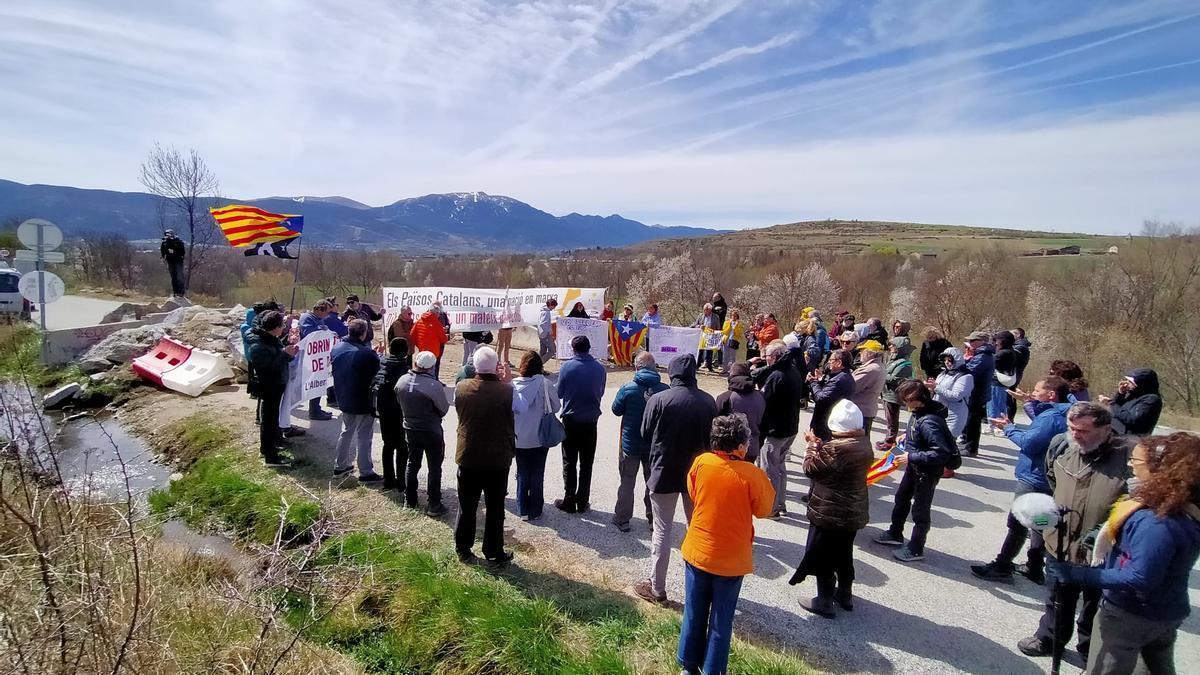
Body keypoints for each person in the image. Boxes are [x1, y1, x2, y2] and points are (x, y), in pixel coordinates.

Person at [1050, 432, 1200, 675]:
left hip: (1131, 615)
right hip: (1166, 611)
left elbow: (1140, 577)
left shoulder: (1157, 521)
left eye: (1136, 461)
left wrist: (1078, 574)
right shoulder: (1184, 506)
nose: (1130, 464)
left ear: (1162, 471)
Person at [1015, 402, 1130, 663]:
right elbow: (1052, 478)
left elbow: (1138, 502)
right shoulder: (1061, 446)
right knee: (1057, 595)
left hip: (1101, 548)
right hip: (1061, 541)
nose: (1075, 434)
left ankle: (1089, 649)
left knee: (1094, 603)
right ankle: (1048, 637)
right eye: (1071, 428)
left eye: (1083, 431)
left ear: (1106, 430)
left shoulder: (1127, 456)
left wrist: (1109, 529)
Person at [675, 414, 775, 675]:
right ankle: (712, 669)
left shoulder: (701, 462)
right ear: (740, 446)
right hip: (731, 560)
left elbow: (694, 493)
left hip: (698, 550)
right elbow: (764, 510)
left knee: (694, 611)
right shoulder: (752, 475)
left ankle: (688, 664)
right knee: (721, 619)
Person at [634, 354, 718, 605]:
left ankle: (657, 589)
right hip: (698, 474)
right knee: (698, 529)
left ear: (672, 374)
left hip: (664, 472)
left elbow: (645, 433)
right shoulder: (708, 401)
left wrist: (651, 406)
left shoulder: (659, 399)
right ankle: (699, 590)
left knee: (662, 530)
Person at [970, 377, 1071, 585]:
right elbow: (1042, 427)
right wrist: (1027, 404)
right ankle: (1035, 567)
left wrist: (1009, 430)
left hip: (1034, 476)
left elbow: (1029, 443)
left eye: (1037, 390)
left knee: (1017, 522)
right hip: (1049, 477)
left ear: (1051, 394)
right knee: (1038, 522)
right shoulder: (1066, 413)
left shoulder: (1051, 417)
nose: (1033, 393)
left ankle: (1002, 566)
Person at [789, 400, 873, 617]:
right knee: (844, 553)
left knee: (823, 556)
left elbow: (810, 468)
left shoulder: (835, 448)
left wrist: (810, 446)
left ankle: (824, 600)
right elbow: (833, 465)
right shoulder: (863, 442)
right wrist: (820, 446)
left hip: (829, 511)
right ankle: (845, 594)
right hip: (852, 510)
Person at [874, 380, 957, 562]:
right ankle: (895, 533)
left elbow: (941, 453)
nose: (904, 404)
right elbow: (916, 429)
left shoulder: (930, 422)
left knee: (920, 510)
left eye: (906, 400)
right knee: (901, 499)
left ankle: (916, 548)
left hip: (926, 472)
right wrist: (907, 435)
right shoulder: (919, 413)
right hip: (915, 468)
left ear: (916, 399)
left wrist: (912, 457)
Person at [453, 347, 515, 568]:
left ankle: (463, 547)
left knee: (466, 504)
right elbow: (516, 412)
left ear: (475, 367)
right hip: (497, 459)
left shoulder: (461, 387)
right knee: (495, 507)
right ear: (497, 366)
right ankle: (493, 550)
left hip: (468, 454)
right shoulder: (507, 391)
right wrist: (506, 382)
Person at [611, 351, 669, 532]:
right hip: (654, 445)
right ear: (654, 367)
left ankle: (622, 519)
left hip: (630, 444)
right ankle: (653, 520)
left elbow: (616, 410)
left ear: (637, 367)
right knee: (652, 483)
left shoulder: (628, 388)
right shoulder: (665, 390)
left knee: (627, 482)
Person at [555, 335, 607, 513]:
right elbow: (601, 391)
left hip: (571, 420)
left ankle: (569, 499)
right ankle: (582, 501)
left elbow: (559, 393)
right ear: (589, 348)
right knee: (587, 463)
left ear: (573, 349)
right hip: (591, 421)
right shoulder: (600, 369)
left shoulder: (567, 367)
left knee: (569, 461)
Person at [753, 340, 804, 518]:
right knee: (780, 468)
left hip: (776, 430)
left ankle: (772, 508)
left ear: (774, 357)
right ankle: (780, 503)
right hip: (790, 428)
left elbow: (764, 401)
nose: (764, 359)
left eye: (766, 356)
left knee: (770, 470)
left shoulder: (777, 375)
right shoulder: (794, 370)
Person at [395, 351, 449, 516]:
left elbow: (398, 401)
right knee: (434, 467)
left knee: (412, 464)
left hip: (410, 428)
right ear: (432, 367)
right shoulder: (433, 386)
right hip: (431, 430)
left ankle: (410, 501)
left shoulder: (402, 381)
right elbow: (444, 409)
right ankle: (434, 503)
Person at [331, 319, 382, 482]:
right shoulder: (367, 354)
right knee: (364, 436)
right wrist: (377, 355)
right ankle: (366, 472)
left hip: (343, 396)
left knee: (346, 432)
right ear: (364, 333)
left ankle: (340, 466)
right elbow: (377, 372)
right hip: (362, 400)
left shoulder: (337, 347)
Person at [511, 351, 558, 521]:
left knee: (522, 472)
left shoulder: (512, 385)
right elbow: (556, 407)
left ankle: (522, 509)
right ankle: (536, 509)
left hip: (518, 436)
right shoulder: (545, 384)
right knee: (538, 472)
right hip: (540, 436)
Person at [245, 310, 297, 467]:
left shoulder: (272, 340)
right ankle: (270, 456)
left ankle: (270, 447)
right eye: (282, 326)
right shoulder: (258, 345)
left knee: (273, 419)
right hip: (269, 387)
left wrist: (289, 352)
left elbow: (279, 359)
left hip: (277, 385)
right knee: (268, 420)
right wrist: (283, 354)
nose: (283, 329)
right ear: (275, 327)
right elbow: (266, 369)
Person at [715, 362, 766, 462]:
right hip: (752, 448)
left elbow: (716, 426)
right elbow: (765, 425)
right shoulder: (761, 396)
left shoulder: (725, 397)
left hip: (729, 450)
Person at [959, 331, 995, 457]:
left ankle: (971, 448)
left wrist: (962, 362)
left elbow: (970, 371)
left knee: (974, 421)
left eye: (973, 341)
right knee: (970, 419)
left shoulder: (983, 356)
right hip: (975, 392)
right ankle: (967, 443)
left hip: (978, 393)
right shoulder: (979, 354)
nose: (970, 343)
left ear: (981, 342)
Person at [808, 349, 855, 442]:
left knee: (818, 450)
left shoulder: (839, 379)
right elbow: (827, 392)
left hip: (826, 423)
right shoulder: (840, 376)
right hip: (828, 420)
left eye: (831, 360)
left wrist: (813, 382)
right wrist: (820, 381)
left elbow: (821, 398)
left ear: (839, 362)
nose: (829, 362)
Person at [1099, 368, 1163, 437]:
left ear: (1141, 384)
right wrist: (1121, 394)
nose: (1126, 383)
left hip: (1129, 440)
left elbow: (1131, 419)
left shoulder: (1151, 399)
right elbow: (1119, 409)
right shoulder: (1136, 394)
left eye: (1130, 382)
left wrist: (1111, 403)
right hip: (1116, 434)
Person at [299, 300, 334, 421]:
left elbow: (324, 330)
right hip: (310, 357)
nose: (327, 316)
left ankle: (316, 408)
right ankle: (313, 411)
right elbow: (308, 334)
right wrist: (322, 331)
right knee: (314, 383)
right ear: (319, 310)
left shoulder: (319, 319)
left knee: (319, 382)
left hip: (319, 357)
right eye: (327, 312)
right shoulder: (306, 318)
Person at [929, 347, 974, 439]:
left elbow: (956, 396)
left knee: (946, 444)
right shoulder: (943, 374)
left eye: (949, 360)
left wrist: (936, 387)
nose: (947, 362)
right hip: (938, 413)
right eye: (944, 360)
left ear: (956, 359)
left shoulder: (966, 376)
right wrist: (930, 388)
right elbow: (937, 391)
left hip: (953, 416)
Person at [878, 336, 914, 451]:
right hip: (887, 393)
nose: (890, 347)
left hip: (893, 396)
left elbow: (895, 379)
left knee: (892, 420)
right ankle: (888, 439)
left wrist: (882, 373)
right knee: (889, 419)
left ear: (899, 348)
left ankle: (890, 441)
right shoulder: (893, 359)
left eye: (893, 345)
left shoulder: (905, 364)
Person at [850, 340, 886, 446]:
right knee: (861, 442)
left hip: (860, 410)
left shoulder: (871, 369)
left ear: (870, 353)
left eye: (862, 350)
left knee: (857, 444)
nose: (860, 353)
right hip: (866, 410)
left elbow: (852, 386)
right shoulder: (877, 366)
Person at [989, 331, 1018, 430]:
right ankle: (999, 425)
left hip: (996, 381)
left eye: (998, 340)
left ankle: (994, 425)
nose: (996, 343)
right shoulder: (1011, 351)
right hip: (1002, 382)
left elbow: (991, 361)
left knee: (994, 404)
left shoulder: (1004, 353)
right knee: (1000, 404)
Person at [409, 306, 449, 379]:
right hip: (433, 353)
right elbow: (443, 339)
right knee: (431, 372)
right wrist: (447, 336)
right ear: (435, 313)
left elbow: (412, 335)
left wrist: (419, 344)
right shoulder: (437, 324)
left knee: (421, 370)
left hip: (422, 350)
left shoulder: (419, 321)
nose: (439, 315)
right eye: (438, 313)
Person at [694, 303, 722, 372]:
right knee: (700, 350)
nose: (705, 311)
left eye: (706, 310)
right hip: (702, 335)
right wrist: (699, 326)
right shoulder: (701, 316)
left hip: (711, 336)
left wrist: (716, 332)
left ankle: (709, 366)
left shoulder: (716, 317)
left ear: (710, 310)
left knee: (709, 351)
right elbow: (695, 324)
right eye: (704, 310)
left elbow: (718, 327)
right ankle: (697, 365)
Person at [160, 229, 186, 297]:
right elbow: (162, 250)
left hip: (178, 261)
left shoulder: (177, 242)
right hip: (170, 261)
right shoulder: (165, 243)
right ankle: (175, 292)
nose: (167, 237)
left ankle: (181, 292)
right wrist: (163, 257)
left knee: (179, 277)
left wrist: (175, 250)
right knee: (173, 277)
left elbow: (182, 252)